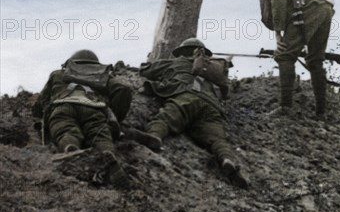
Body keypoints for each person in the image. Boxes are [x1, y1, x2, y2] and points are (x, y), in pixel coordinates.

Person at [138, 38, 250, 189]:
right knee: (217, 139)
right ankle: (226, 158)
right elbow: (224, 92)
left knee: (166, 119)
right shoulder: (209, 72)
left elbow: (146, 71)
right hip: (211, 106)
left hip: (185, 96)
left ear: (182, 52)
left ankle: (154, 136)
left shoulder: (177, 62)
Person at [241, 0, 335, 119]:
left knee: (284, 56)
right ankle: (321, 113)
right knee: (315, 60)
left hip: (308, 8)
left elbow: (278, 2)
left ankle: (285, 108)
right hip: (324, 6)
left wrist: (278, 34)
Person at [32, 49, 132, 186]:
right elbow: (124, 88)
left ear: (71, 62)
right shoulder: (104, 75)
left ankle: (70, 147)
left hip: (63, 106)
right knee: (100, 136)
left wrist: (38, 114)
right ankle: (107, 153)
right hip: (94, 109)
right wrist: (116, 116)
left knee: (66, 130)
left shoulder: (58, 74)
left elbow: (40, 102)